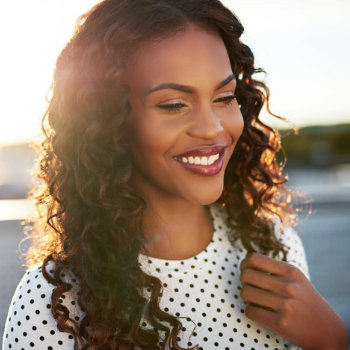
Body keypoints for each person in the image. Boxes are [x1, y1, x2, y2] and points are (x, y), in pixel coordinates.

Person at [2, 0, 348, 349]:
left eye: (224, 97)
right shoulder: (51, 304)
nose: (212, 129)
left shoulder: (275, 245)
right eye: (173, 105)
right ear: (106, 124)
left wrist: (333, 341)